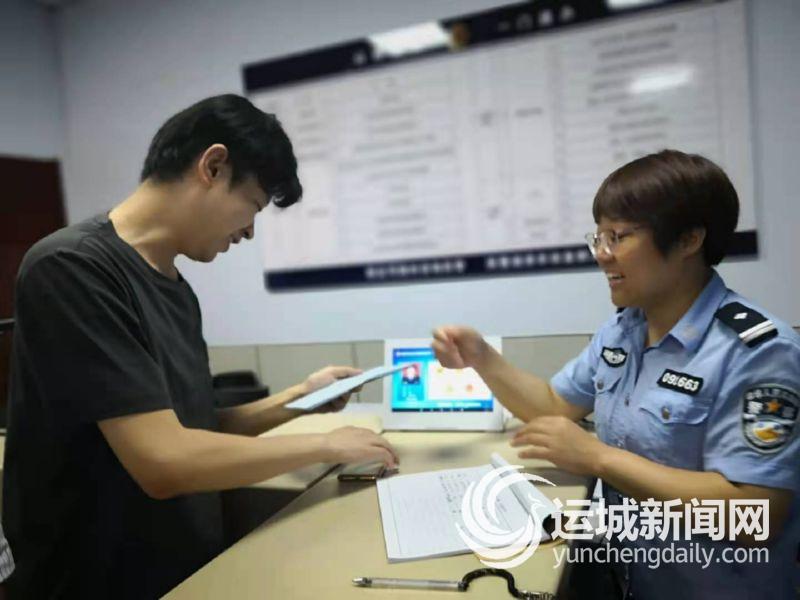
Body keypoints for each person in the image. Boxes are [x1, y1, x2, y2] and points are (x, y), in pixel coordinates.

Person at [3, 94, 398, 599]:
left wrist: (303, 396)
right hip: (94, 579)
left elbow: (195, 428)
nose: (249, 231)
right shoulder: (71, 267)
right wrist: (327, 445)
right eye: (252, 206)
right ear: (213, 166)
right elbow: (165, 461)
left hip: (180, 569)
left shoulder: (176, 288)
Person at [433, 150, 800, 599]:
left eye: (618, 237)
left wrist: (598, 458)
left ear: (689, 240)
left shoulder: (758, 352)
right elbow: (555, 405)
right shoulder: (625, 329)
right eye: (599, 237)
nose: (602, 255)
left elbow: (755, 516)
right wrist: (482, 358)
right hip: (630, 579)